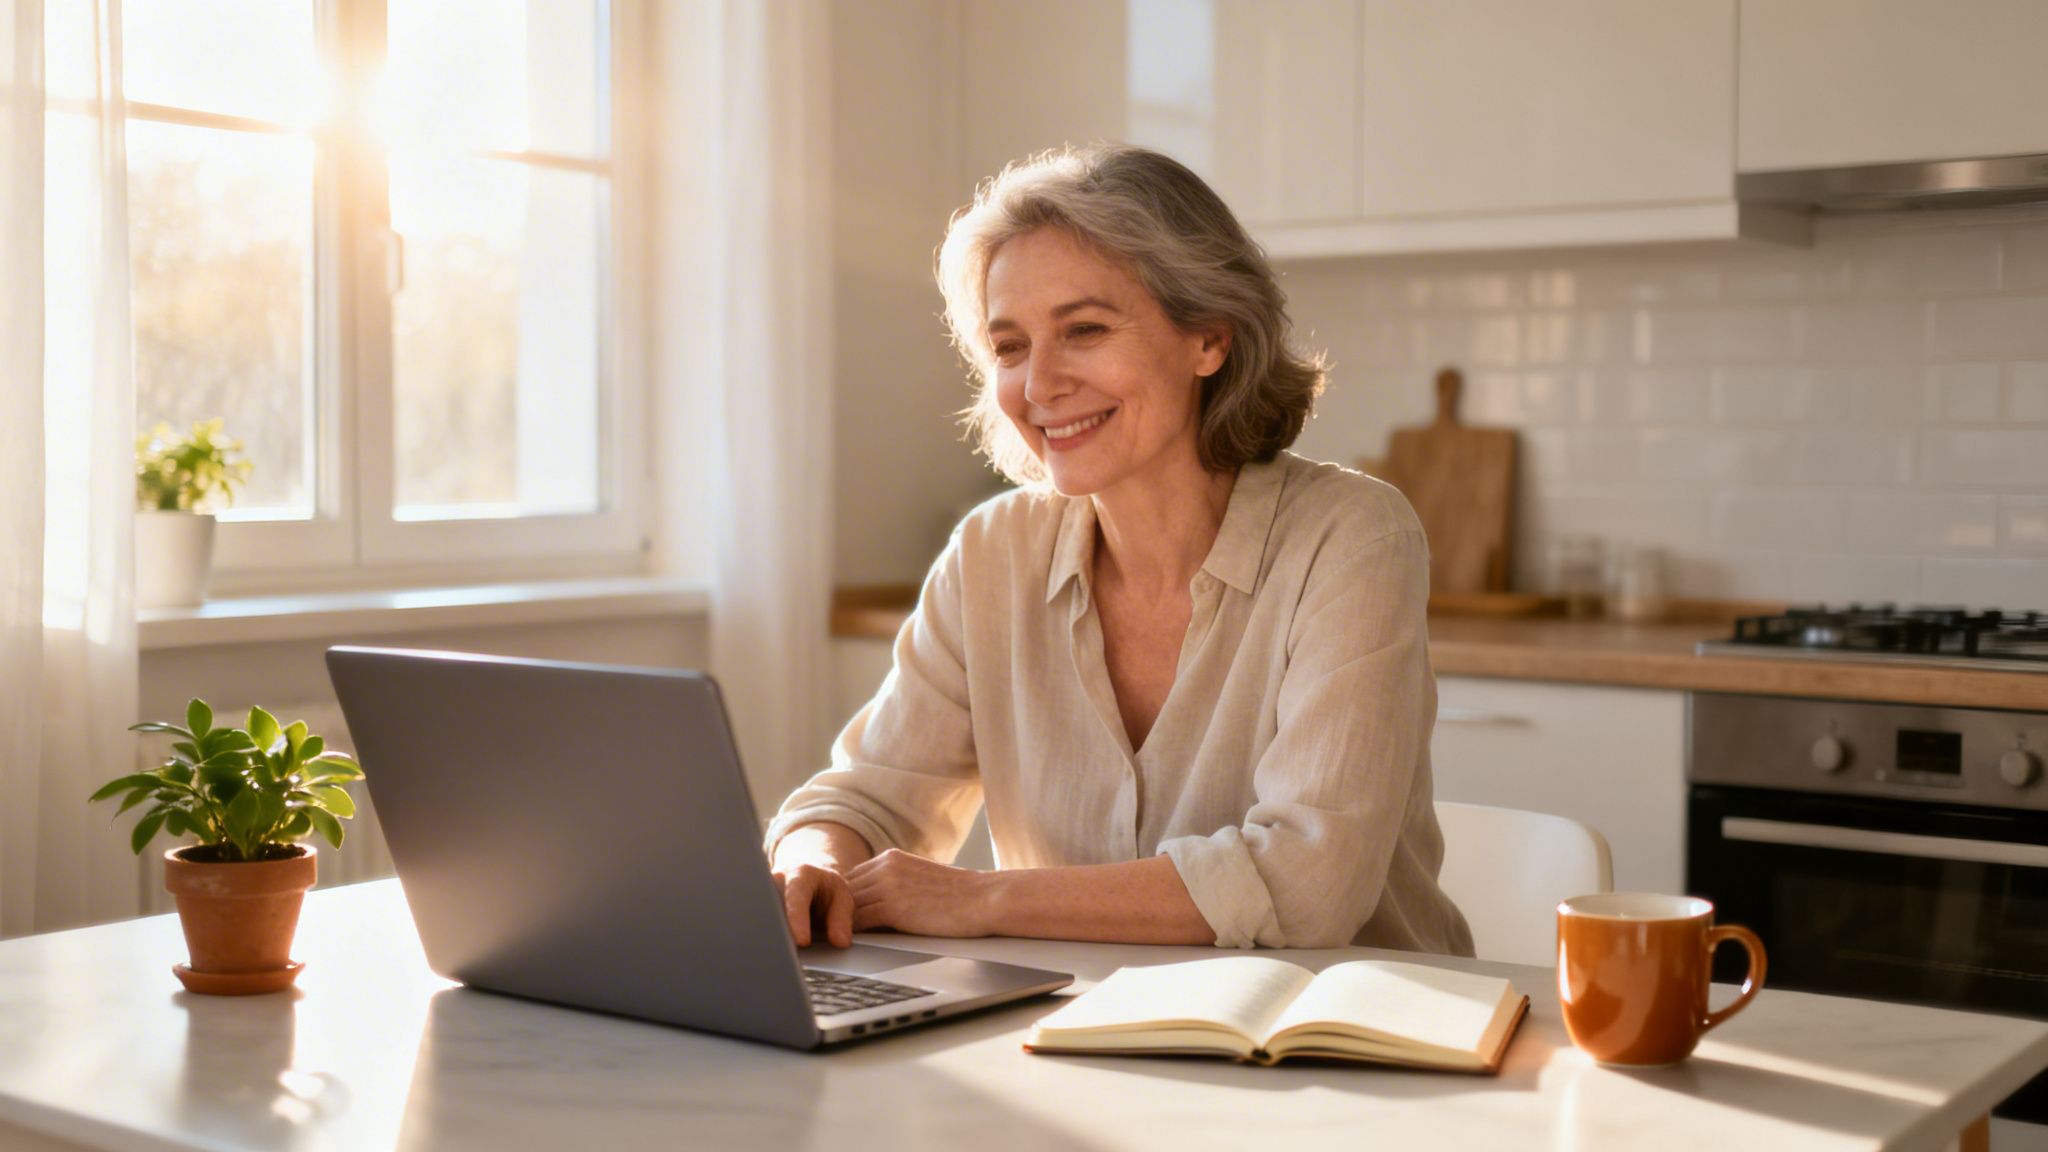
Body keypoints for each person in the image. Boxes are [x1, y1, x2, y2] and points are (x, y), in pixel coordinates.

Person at [765, 143, 1472, 956]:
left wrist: (978, 898)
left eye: (1085, 330)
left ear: (1209, 340)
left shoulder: (1352, 538)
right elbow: (869, 800)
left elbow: (1304, 885)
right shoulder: (991, 552)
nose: (1038, 386)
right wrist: (810, 862)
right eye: (1010, 346)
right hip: (1076, 1048)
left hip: (1350, 1049)